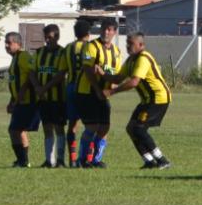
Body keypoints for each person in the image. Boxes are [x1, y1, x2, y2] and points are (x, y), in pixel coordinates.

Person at [103, 32, 172, 169]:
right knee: (131, 128)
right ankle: (149, 161)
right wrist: (101, 74)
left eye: (131, 44)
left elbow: (134, 82)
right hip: (147, 100)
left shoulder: (143, 58)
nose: (128, 46)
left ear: (141, 45)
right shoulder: (131, 60)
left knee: (139, 129)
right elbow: (118, 78)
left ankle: (162, 160)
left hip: (158, 99)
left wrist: (112, 91)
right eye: (127, 43)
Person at [77, 17, 121, 168]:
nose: (106, 31)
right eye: (104, 28)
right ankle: (82, 159)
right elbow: (88, 70)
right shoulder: (91, 46)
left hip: (104, 94)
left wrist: (110, 89)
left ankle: (96, 159)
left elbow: (116, 75)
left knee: (104, 127)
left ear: (115, 32)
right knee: (92, 126)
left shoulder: (116, 51)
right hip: (88, 92)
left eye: (109, 29)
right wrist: (97, 89)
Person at [54, 19, 92, 167]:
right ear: (88, 33)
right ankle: (88, 159)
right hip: (86, 88)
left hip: (70, 88)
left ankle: (72, 159)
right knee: (91, 124)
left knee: (72, 125)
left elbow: (62, 71)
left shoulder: (68, 48)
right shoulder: (91, 47)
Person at [32, 24, 67, 167]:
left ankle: (60, 160)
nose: (47, 40)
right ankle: (49, 160)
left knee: (59, 128)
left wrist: (44, 88)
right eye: (45, 37)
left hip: (58, 97)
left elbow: (61, 74)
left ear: (57, 37)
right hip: (43, 98)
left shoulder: (63, 52)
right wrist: (37, 88)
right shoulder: (39, 52)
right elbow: (32, 72)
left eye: (50, 37)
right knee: (47, 128)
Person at [4, 31, 39, 167]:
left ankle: (23, 161)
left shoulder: (23, 56)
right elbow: (16, 81)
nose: (6, 45)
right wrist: (12, 100)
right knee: (19, 130)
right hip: (19, 101)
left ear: (18, 44)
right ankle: (23, 161)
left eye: (9, 43)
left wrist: (22, 92)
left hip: (27, 101)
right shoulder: (15, 58)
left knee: (14, 130)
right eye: (5, 43)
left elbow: (31, 74)